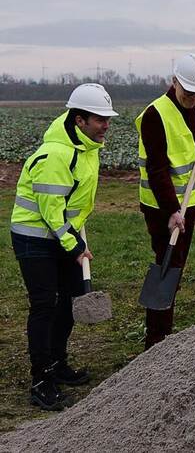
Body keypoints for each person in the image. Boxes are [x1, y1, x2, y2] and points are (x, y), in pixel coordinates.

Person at [11, 83, 118, 410]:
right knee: (44, 305)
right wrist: (75, 248)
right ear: (79, 120)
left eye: (107, 119)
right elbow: (50, 210)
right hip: (34, 236)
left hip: (61, 232)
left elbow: (72, 207)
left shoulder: (87, 149)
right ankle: (41, 380)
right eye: (100, 119)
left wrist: (73, 241)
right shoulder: (58, 154)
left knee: (70, 299)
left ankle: (57, 363)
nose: (106, 125)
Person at [135, 53, 195, 349]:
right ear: (174, 81)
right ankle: (156, 339)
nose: (194, 98)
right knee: (167, 269)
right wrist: (171, 211)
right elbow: (156, 169)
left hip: (188, 205)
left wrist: (193, 206)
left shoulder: (192, 107)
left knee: (176, 269)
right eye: (189, 92)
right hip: (163, 208)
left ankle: (163, 333)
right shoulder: (156, 114)